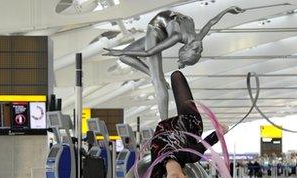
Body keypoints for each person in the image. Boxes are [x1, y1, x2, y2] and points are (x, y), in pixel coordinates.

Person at [104, 6, 245, 119]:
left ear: (187, 47)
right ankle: (154, 75)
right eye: (199, 52)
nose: (200, 49)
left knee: (157, 81)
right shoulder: (197, 38)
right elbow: (211, 22)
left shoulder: (177, 36)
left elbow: (148, 53)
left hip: (155, 31)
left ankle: (163, 122)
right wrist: (228, 10)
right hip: (159, 27)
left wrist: (120, 51)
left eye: (196, 51)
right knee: (129, 61)